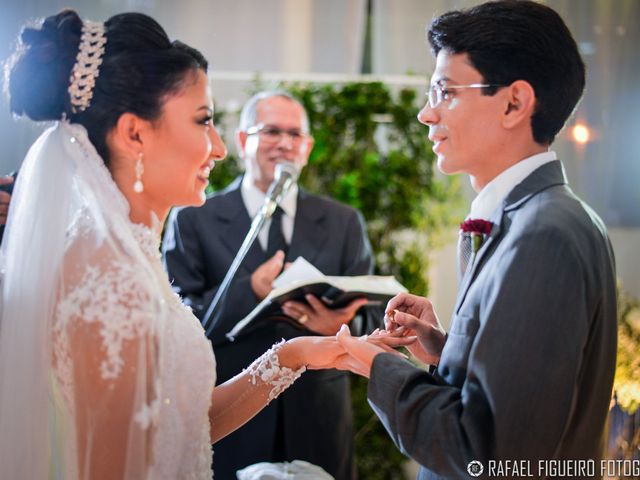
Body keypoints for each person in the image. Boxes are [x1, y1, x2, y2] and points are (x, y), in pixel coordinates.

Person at [0, 11, 409, 480]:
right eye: (203, 121)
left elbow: (183, 429)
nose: (217, 148)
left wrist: (294, 354)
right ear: (135, 133)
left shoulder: (127, 256)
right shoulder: (106, 279)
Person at [335, 1, 618, 479]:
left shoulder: (543, 235)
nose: (427, 114)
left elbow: (490, 452)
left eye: (444, 92)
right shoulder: (541, 217)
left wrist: (375, 365)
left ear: (513, 102)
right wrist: (449, 351)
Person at [163, 90, 379, 479]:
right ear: (244, 141)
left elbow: (370, 315)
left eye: (295, 135)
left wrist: (341, 328)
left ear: (308, 147)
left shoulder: (343, 221)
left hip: (317, 416)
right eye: (272, 131)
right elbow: (178, 318)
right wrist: (251, 290)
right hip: (231, 411)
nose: (284, 143)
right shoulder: (194, 217)